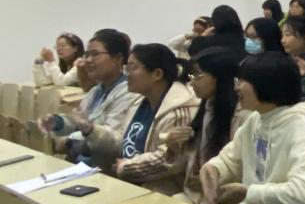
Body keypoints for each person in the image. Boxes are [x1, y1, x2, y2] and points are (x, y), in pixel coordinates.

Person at [200, 52, 305, 204]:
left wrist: (248, 193)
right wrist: (214, 169)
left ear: (267, 84)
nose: (236, 87)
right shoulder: (256, 119)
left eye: (242, 81)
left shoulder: (303, 129)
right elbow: (231, 159)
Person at [89, 43, 199, 192]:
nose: (126, 74)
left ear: (157, 74)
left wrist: (126, 167)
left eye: (132, 68)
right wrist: (91, 130)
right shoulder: (139, 101)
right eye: (126, 68)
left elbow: (171, 160)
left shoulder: (180, 109)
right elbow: (125, 140)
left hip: (163, 190)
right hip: (132, 183)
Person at [40, 29, 141, 165]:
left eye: (95, 54)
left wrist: (71, 142)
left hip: (103, 168)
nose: (87, 60)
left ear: (118, 58)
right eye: (87, 54)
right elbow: (80, 122)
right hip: (81, 165)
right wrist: (58, 122)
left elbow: (114, 140)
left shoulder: (130, 93)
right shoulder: (96, 91)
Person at [171, 47, 250, 204]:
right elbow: (190, 162)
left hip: (225, 199)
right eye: (191, 75)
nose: (192, 81)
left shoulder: (242, 116)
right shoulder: (207, 106)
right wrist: (172, 146)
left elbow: (241, 169)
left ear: (219, 77)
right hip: (195, 194)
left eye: (197, 75)